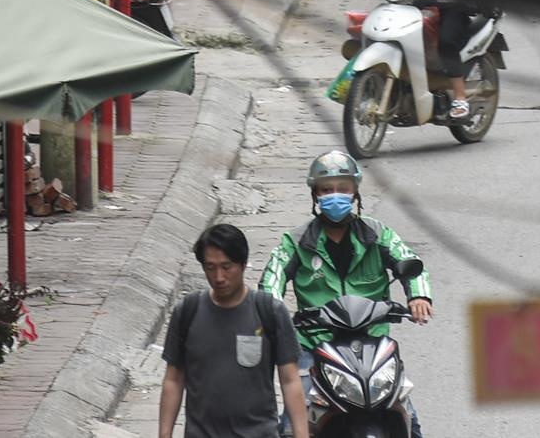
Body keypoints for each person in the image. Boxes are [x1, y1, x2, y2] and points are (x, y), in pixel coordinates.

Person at [260, 153, 435, 436]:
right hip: (314, 345)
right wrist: (272, 314)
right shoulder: (295, 240)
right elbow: (272, 278)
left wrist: (419, 297)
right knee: (292, 426)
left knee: (408, 421)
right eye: (327, 189)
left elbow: (410, 263)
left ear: (355, 191)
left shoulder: (378, 234)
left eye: (343, 188)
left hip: (372, 344)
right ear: (315, 193)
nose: (335, 196)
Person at [159, 224, 307, 438]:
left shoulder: (269, 312)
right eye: (210, 268)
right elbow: (173, 379)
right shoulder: (187, 312)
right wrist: (164, 434)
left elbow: (290, 380)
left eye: (227, 267)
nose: (219, 277)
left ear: (243, 264)